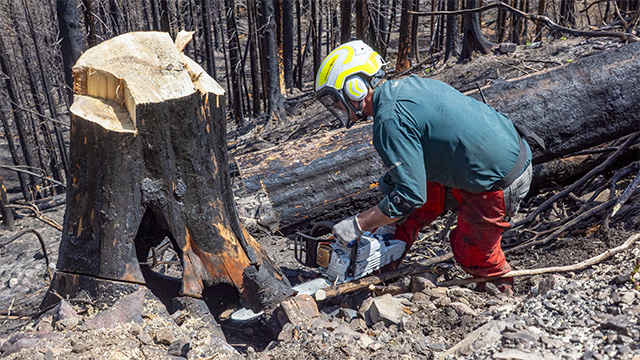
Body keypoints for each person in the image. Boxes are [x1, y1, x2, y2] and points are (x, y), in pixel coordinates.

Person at [314, 40, 534, 295]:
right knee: (400, 203)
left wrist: (358, 224)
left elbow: (410, 196)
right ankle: (381, 266)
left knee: (470, 251)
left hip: (498, 179)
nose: (336, 109)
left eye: (336, 100)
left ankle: (502, 290)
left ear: (355, 87)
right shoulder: (403, 88)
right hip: (490, 158)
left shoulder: (389, 119)